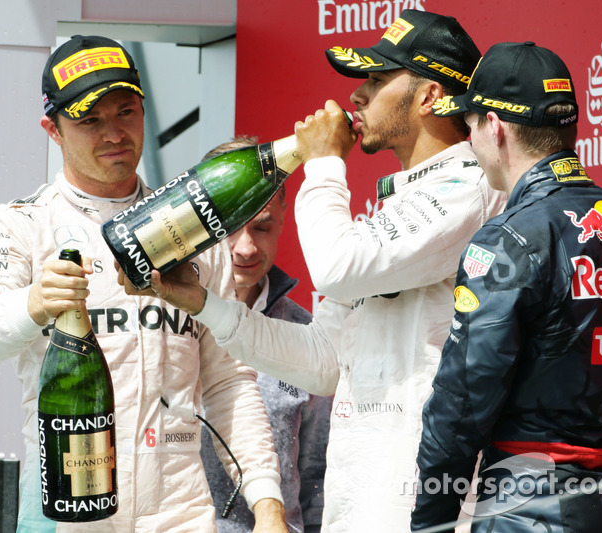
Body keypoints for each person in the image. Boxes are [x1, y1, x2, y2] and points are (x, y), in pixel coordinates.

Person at [117, 10, 508, 531]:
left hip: (425, 497)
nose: (357, 97)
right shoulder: (404, 201)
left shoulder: (467, 185)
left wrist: (322, 161)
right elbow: (325, 361)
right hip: (365, 497)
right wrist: (204, 304)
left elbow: (334, 268)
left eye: (375, 80)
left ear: (430, 96)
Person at [0, 35, 288, 532]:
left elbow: (228, 381)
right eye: (90, 120)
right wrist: (34, 304)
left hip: (180, 511)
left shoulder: (191, 231)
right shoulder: (18, 224)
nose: (113, 132)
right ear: (53, 129)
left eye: (126, 112)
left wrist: (267, 502)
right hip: (65, 513)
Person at [411, 42, 602, 532]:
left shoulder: (509, 239)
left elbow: (463, 401)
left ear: (494, 126)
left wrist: (432, 521)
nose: (469, 142)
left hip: (533, 509)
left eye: (469, 126)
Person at [198, 139, 332, 533]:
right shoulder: (163, 323)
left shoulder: (307, 334)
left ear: (283, 219)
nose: (245, 247)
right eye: (229, 228)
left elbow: (315, 477)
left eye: (262, 226)